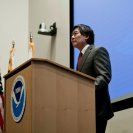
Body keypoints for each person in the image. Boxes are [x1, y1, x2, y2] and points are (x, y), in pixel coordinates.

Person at [71, 24, 114, 133]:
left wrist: (85, 91)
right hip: (84, 110)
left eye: (75, 33)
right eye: (71, 35)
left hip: (97, 109)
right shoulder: (80, 57)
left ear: (86, 36)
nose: (72, 37)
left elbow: (104, 77)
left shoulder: (98, 51)